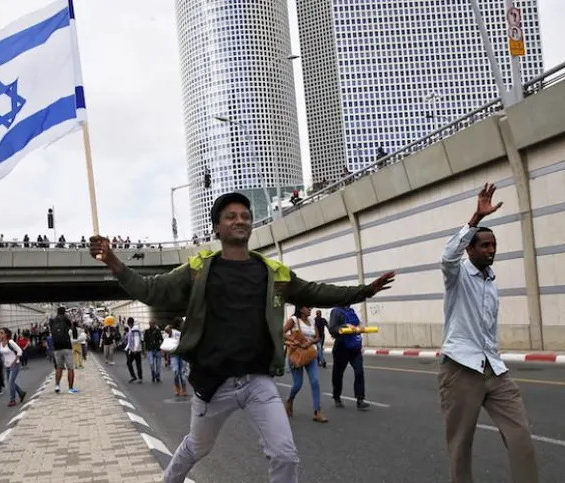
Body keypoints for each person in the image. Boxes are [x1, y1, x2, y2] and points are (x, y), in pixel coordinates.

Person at [90, 192, 395, 483]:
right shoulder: (199, 270)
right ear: (217, 228)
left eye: (245, 216)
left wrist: (363, 291)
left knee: (285, 455)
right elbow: (151, 290)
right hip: (214, 383)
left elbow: (314, 292)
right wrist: (114, 262)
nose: (240, 220)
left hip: (257, 382)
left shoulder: (273, 272)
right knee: (198, 446)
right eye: (231, 216)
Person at [439, 183, 538, 483]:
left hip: (494, 369)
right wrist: (475, 219)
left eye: (493, 245)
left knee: (520, 435)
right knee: (461, 445)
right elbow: (447, 257)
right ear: (470, 249)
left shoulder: (491, 284)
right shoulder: (458, 276)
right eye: (484, 245)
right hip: (460, 368)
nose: (491, 250)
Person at [283, 305, 327, 423]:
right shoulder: (293, 320)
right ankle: (290, 399)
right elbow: (281, 333)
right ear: (301, 309)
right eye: (307, 307)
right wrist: (293, 340)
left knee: (315, 381)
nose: (310, 309)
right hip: (297, 356)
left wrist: (310, 342)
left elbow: (317, 337)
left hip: (310, 354)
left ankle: (317, 412)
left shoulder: (312, 321)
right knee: (297, 384)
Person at [328, 305, 370, 410]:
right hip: (341, 347)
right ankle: (336, 396)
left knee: (359, 372)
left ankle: (360, 399)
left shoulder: (351, 311)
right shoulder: (336, 311)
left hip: (354, 347)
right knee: (338, 374)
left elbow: (357, 326)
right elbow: (332, 329)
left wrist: (359, 330)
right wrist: (345, 326)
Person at [50, 307, 79, 394]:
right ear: (64, 312)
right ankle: (70, 388)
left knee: (59, 367)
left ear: (57, 312)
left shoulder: (52, 321)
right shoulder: (66, 320)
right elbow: (72, 328)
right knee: (70, 368)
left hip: (57, 347)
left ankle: (57, 386)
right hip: (67, 346)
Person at [0, 328, 27, 407]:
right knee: (10, 382)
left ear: (6, 334)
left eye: (1, 333)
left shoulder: (10, 342)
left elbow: (20, 351)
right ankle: (21, 393)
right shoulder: (0, 343)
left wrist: (14, 361)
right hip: (7, 366)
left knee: (11, 381)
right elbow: (3, 354)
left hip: (15, 365)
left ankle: (12, 400)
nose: (0, 334)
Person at [165, 319, 188, 398]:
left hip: (182, 354)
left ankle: (184, 389)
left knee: (182, 373)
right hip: (174, 355)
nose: (183, 324)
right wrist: (171, 327)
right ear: (178, 324)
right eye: (182, 323)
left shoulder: (184, 332)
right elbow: (166, 329)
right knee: (176, 372)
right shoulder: (173, 331)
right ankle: (177, 388)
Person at [124, 317, 143, 384]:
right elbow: (130, 341)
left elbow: (136, 340)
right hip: (133, 349)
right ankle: (137, 377)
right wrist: (126, 348)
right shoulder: (131, 329)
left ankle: (137, 377)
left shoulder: (135, 329)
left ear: (129, 323)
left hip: (135, 350)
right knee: (132, 363)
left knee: (136, 363)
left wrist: (135, 349)